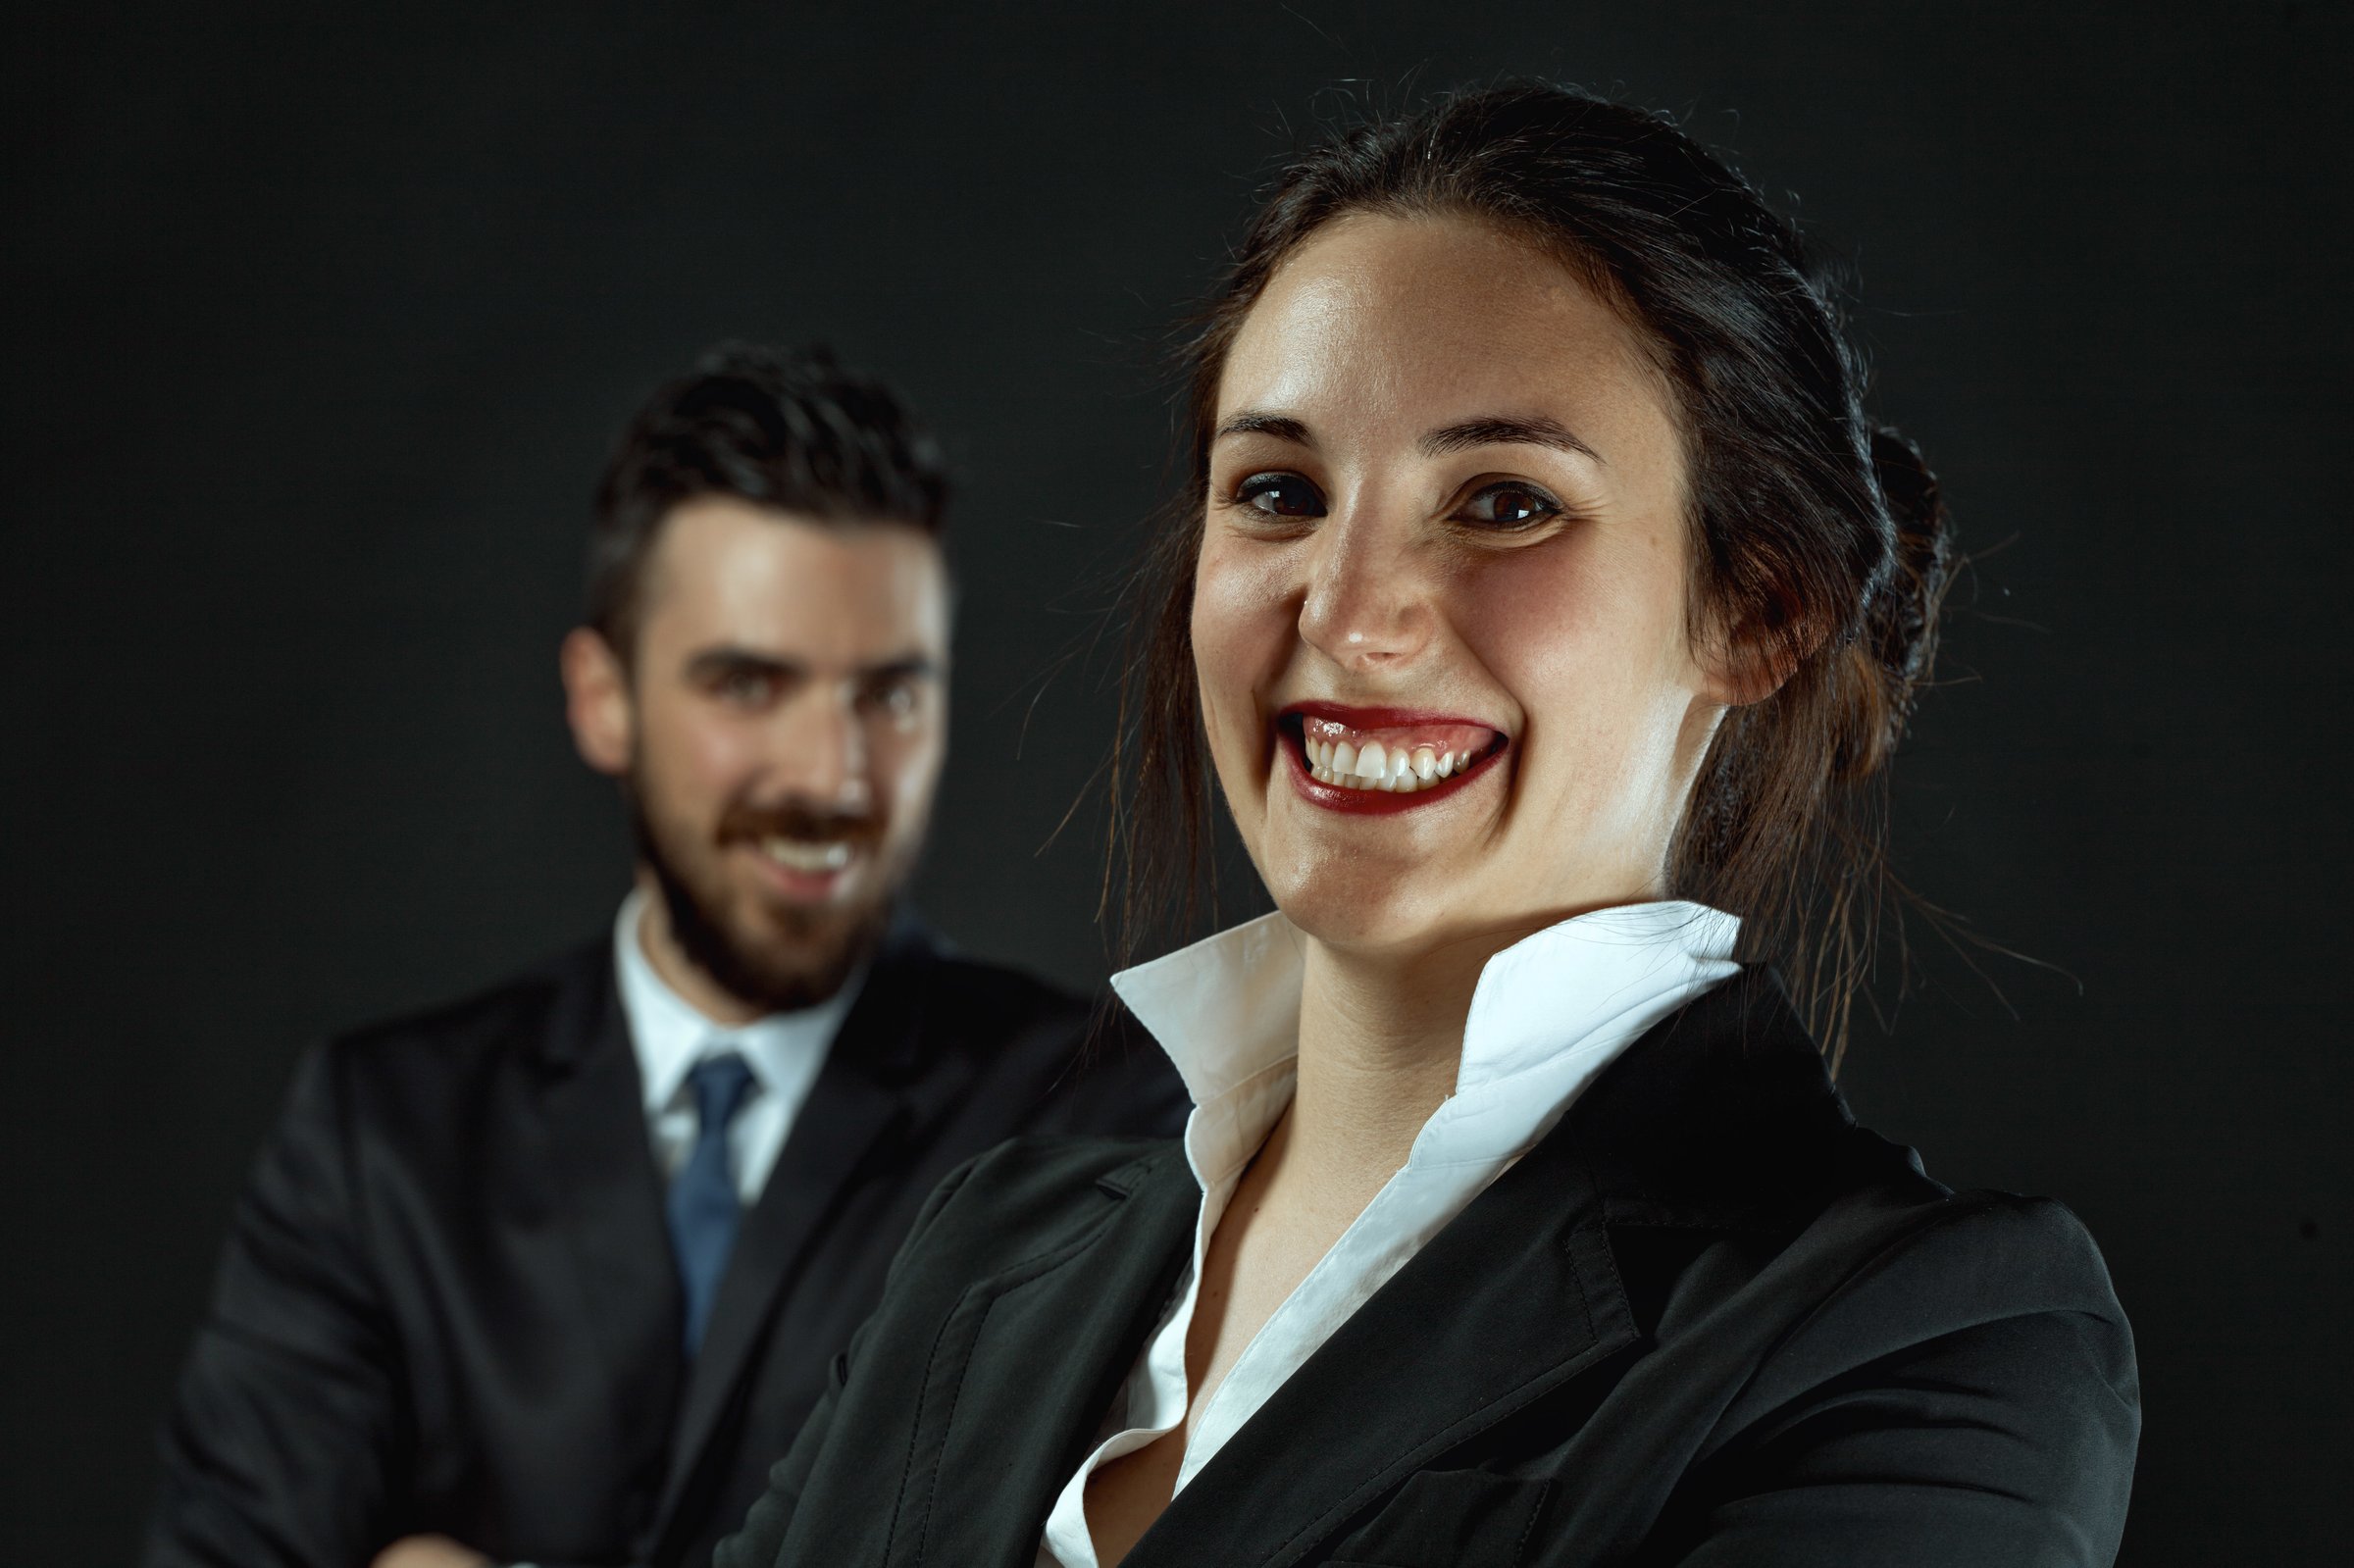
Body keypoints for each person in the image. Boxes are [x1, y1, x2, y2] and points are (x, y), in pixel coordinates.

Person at [714, 86, 2141, 1568]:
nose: (1346, 610)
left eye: (1506, 503)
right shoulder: (988, 1250)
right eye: (1278, 491)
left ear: (1757, 612)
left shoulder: (1923, 1338)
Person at [143, 344, 1189, 1568]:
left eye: (891, 693)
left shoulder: (1094, 1118)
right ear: (604, 701)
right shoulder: (379, 1136)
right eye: (750, 684)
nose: (834, 775)